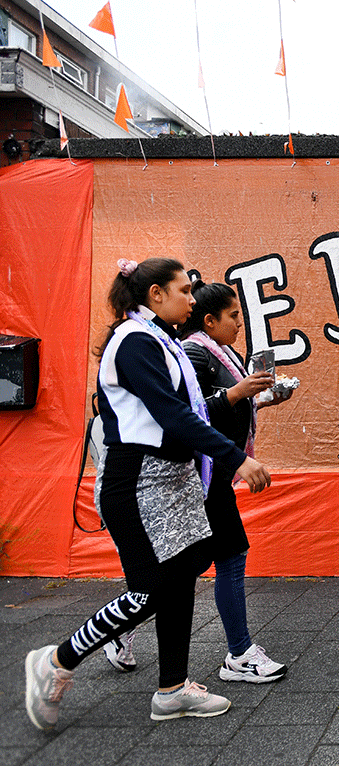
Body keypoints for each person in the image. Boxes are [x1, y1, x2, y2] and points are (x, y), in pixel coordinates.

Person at [24, 257, 271, 731]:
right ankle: (56, 660)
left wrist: (238, 406)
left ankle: (172, 690)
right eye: (183, 291)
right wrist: (236, 458)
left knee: (182, 576)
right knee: (151, 590)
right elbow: (173, 415)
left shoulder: (164, 340)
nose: (193, 299)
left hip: (173, 481)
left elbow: (193, 409)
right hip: (137, 482)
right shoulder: (134, 341)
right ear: (155, 294)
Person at [179, 278, 289, 682]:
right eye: (233, 315)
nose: (239, 323)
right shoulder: (193, 352)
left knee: (196, 565)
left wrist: (258, 397)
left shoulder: (221, 352)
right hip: (201, 476)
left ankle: (124, 629)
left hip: (215, 475)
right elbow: (189, 414)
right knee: (224, 559)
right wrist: (239, 392)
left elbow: (227, 404)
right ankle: (239, 654)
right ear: (209, 321)